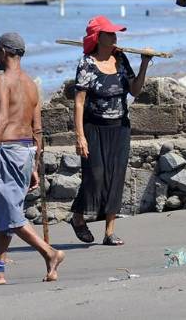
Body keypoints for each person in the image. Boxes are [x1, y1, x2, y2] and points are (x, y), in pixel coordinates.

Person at [0, 32, 65, 287]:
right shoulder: (32, 84)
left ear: (4, 52)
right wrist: (33, 164)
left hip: (6, 151)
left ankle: (50, 253)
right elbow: (38, 129)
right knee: (3, 212)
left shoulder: (1, 80)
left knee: (11, 214)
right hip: (25, 152)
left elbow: (1, 119)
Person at [70, 16, 152, 246]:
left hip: (120, 128)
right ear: (98, 37)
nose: (115, 36)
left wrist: (144, 64)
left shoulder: (121, 59)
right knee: (95, 176)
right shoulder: (86, 64)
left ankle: (109, 232)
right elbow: (79, 102)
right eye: (109, 33)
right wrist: (80, 136)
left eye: (114, 33)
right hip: (93, 128)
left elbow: (134, 90)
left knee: (116, 177)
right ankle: (77, 217)